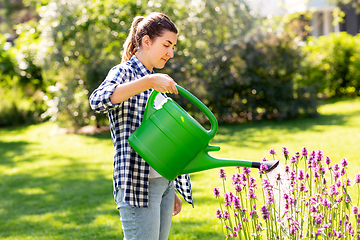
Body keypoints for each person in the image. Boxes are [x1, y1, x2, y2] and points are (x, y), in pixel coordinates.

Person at [89, 12, 193, 240]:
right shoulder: (124, 72)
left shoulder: (154, 79)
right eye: (167, 44)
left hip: (162, 183)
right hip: (138, 184)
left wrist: (170, 185)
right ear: (146, 41)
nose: (171, 53)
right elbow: (97, 101)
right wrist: (149, 82)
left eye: (173, 46)